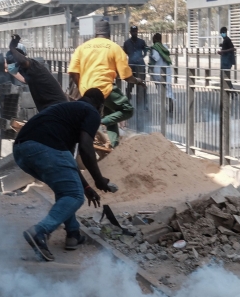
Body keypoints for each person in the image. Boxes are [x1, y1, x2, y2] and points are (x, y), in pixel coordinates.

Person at [13, 89, 117, 262]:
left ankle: (73, 233)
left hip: (21, 151)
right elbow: (85, 147)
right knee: (74, 196)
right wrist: (99, 179)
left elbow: (67, 163)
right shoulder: (91, 112)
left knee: (65, 190)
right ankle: (40, 231)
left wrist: (86, 187)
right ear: (100, 106)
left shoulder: (67, 113)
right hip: (43, 148)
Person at [67, 19, 140, 147]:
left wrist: (81, 87)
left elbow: (73, 72)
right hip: (105, 88)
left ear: (95, 33)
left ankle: (114, 144)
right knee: (128, 110)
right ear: (109, 33)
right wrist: (138, 81)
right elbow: (126, 75)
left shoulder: (82, 47)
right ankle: (100, 122)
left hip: (87, 90)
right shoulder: (114, 47)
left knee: (110, 112)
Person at [7, 33, 67, 112]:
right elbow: (24, 80)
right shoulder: (30, 73)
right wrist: (9, 70)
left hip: (58, 109)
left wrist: (12, 48)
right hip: (52, 109)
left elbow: (23, 61)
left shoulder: (34, 66)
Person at [149, 32, 174, 113]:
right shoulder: (165, 47)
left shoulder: (155, 48)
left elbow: (155, 58)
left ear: (156, 39)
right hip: (167, 70)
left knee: (160, 88)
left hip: (158, 71)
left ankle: (164, 106)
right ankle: (170, 102)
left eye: (153, 39)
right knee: (168, 88)